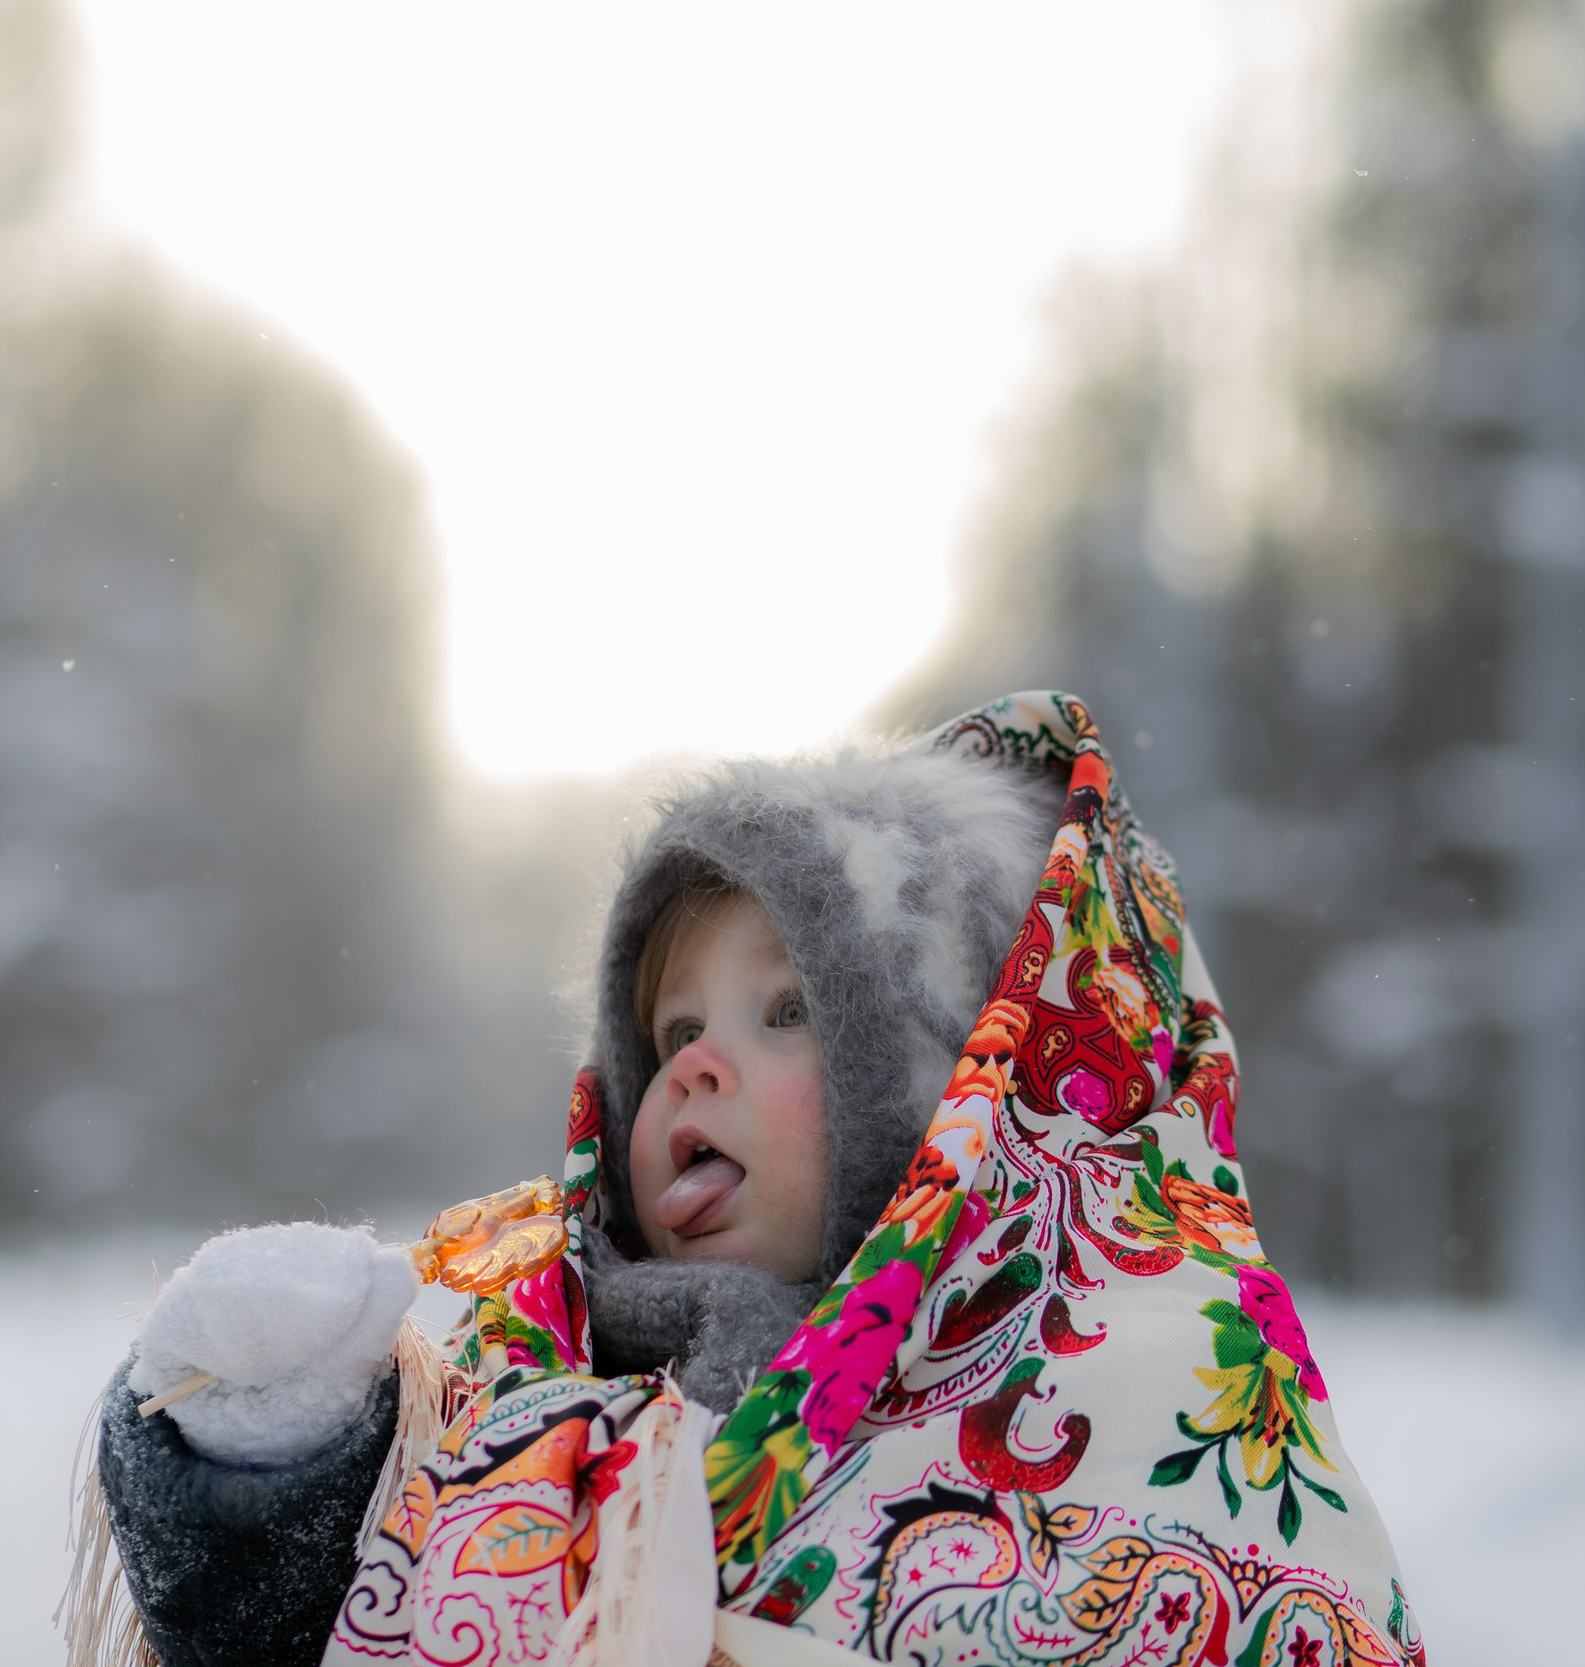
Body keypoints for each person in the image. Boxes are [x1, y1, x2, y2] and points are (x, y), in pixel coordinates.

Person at [70, 692, 1423, 1667]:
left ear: (974, 1094)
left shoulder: (1157, 1408)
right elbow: (353, 1601)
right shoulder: (538, 1400)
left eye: (789, 1011)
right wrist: (272, 1485)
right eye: (670, 1033)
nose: (698, 1066)